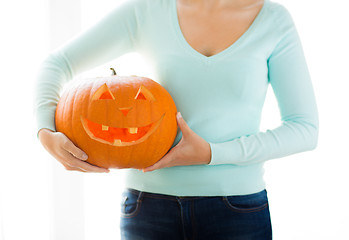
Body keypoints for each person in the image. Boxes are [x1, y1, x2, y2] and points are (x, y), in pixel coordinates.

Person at [35, 0, 319, 239]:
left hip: (238, 210)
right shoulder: (147, 10)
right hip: (147, 208)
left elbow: (304, 128)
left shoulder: (273, 20)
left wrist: (212, 153)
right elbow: (57, 63)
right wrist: (46, 131)